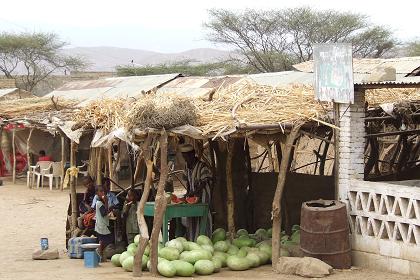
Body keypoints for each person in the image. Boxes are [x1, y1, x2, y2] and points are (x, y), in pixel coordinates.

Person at [179, 144, 213, 240]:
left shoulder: (202, 166)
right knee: (192, 220)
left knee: (204, 220)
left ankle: (204, 240)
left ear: (193, 154)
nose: (186, 159)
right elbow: (188, 181)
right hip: (192, 198)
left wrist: (194, 193)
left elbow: (204, 182)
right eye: (184, 157)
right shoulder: (187, 166)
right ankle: (193, 240)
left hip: (203, 199)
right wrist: (188, 192)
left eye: (187, 157)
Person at [95, 186, 113, 261]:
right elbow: (104, 213)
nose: (103, 193)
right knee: (106, 240)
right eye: (101, 191)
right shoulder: (99, 203)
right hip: (102, 226)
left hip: (101, 225)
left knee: (103, 240)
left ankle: (101, 255)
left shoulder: (100, 202)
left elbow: (105, 211)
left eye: (103, 191)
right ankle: (98, 252)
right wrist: (106, 202)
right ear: (97, 193)